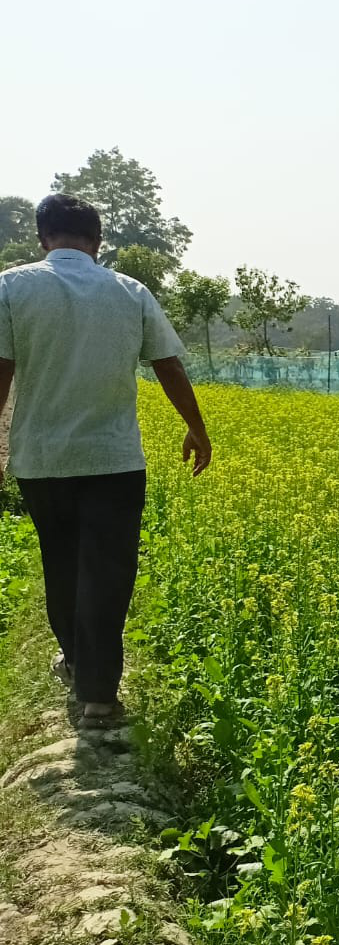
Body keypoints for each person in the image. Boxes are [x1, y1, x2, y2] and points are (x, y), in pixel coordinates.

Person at [0, 193, 211, 729]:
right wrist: (196, 428)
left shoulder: (10, 287)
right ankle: (98, 696)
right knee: (108, 572)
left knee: (61, 562)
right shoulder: (129, 290)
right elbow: (168, 364)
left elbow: (0, 370)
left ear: (43, 238)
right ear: (98, 241)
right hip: (114, 460)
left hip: (43, 459)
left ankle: (76, 662)